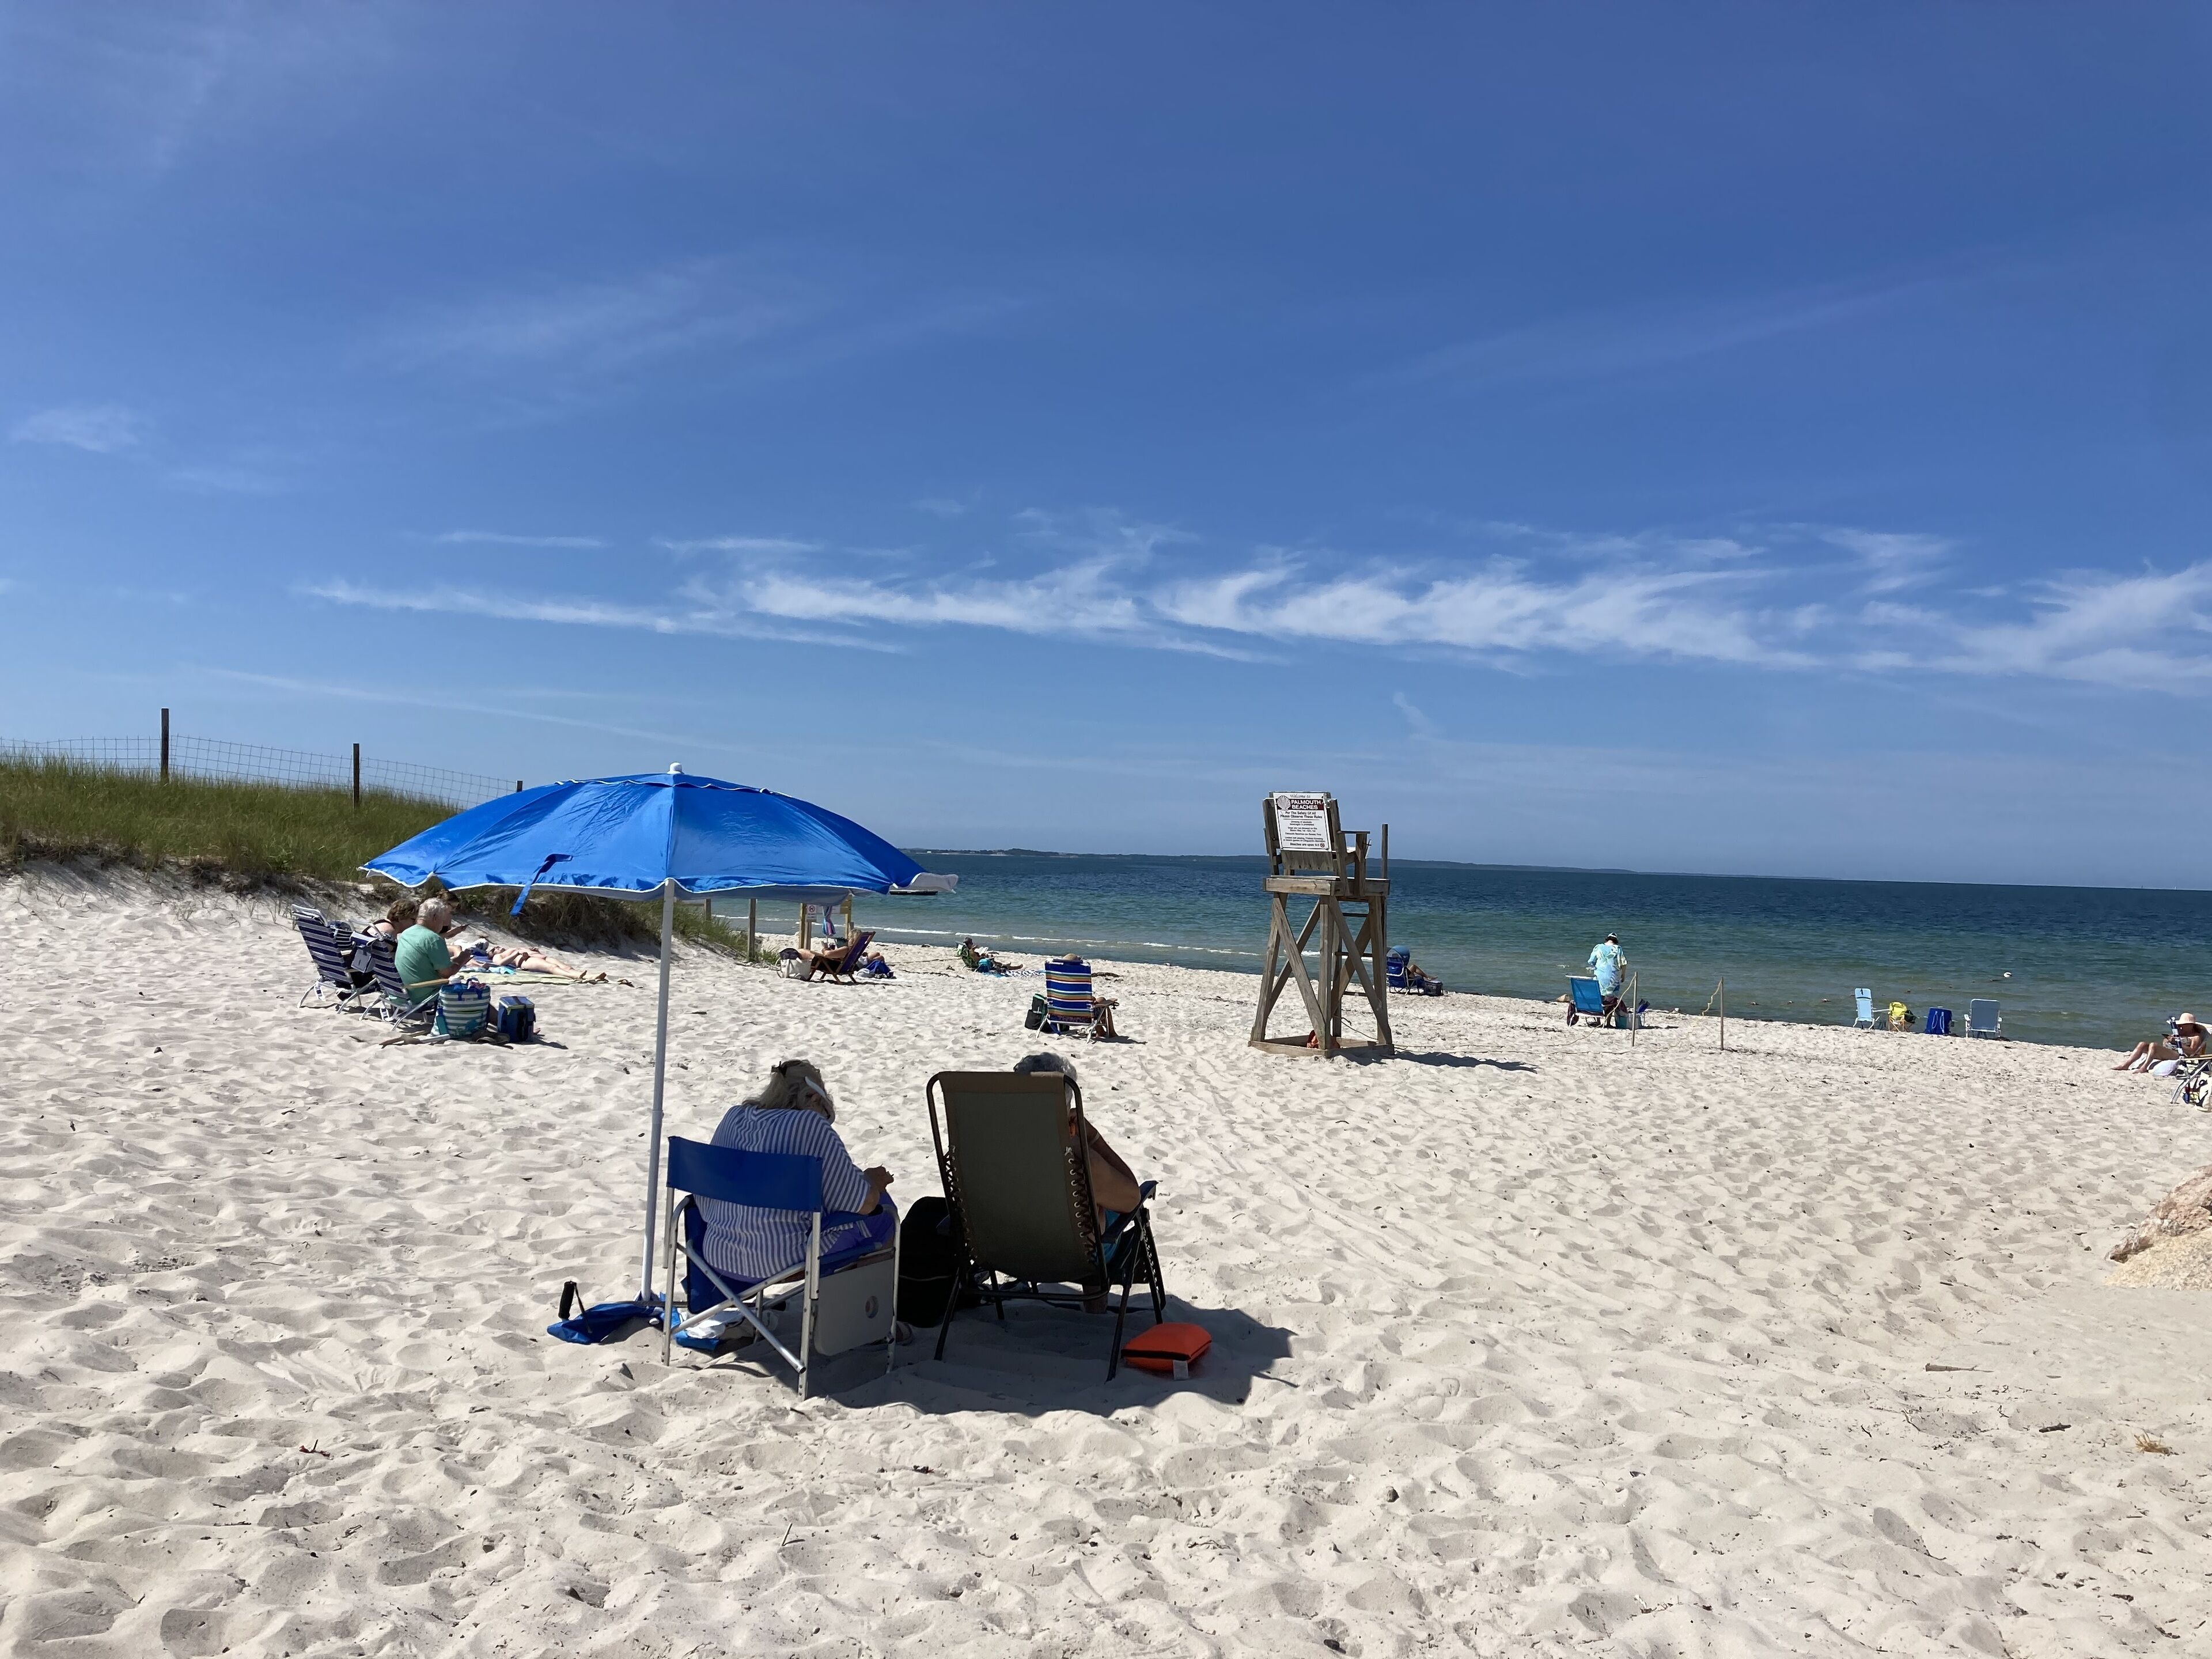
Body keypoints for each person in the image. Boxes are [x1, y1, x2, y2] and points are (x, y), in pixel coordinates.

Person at [694, 1058, 897, 1300]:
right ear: (812, 1098)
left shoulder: (734, 1117)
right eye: (827, 1114)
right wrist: (872, 1181)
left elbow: (705, 1196)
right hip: (782, 1260)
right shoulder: (810, 1125)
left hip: (718, 1255)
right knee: (884, 1216)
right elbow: (862, 1204)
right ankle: (864, 1318)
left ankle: (751, 1321)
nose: (826, 1121)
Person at [1010, 1052, 1142, 1226]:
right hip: (1074, 1252)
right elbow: (1132, 1201)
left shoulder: (994, 1147)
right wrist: (1093, 1137)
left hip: (1003, 1248)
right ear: (1064, 1107)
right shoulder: (1083, 1162)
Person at [2115, 1014, 2207, 1073]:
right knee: (2142, 1044)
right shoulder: (2179, 1032)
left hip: (2179, 1055)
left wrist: (2178, 1043)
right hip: (2169, 1051)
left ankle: (2144, 1068)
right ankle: (2126, 1065)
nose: (2181, 1026)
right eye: (2181, 1025)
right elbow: (2165, 1043)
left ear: (2191, 1025)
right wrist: (2168, 1040)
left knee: (2154, 1045)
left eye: (2184, 1025)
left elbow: (2192, 1052)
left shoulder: (2195, 1037)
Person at [1588, 933, 1627, 1014]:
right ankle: (1608, 1021)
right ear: (1616, 941)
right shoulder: (1617, 948)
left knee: (1599, 997)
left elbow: (1591, 961)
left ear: (1607, 939)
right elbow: (1623, 963)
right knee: (1612, 999)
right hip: (1613, 978)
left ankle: (1598, 1019)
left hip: (1599, 977)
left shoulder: (1598, 947)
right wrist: (1623, 975)